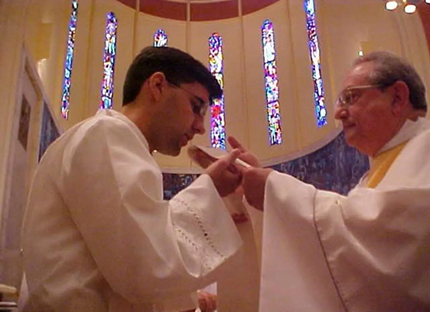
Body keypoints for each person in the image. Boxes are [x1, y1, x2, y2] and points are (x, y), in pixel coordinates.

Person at [20, 46, 246, 312]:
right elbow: (144, 268)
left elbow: (131, 246)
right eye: (196, 107)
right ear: (158, 85)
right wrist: (209, 194)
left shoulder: (112, 141)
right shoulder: (107, 135)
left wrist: (211, 207)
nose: (201, 126)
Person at [240, 51, 430, 311]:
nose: (338, 113)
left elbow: (398, 242)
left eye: (351, 97)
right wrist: (268, 194)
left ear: (397, 97)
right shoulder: (375, 172)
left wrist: (276, 191)